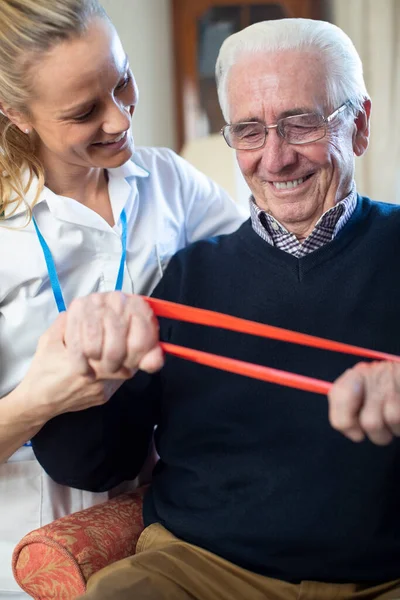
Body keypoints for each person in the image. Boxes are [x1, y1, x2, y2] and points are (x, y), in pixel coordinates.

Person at [32, 17, 400, 600]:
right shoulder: (188, 275)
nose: (274, 159)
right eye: (249, 131)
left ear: (358, 125)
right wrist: (84, 362)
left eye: (300, 123)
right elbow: (94, 465)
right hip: (199, 567)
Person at [0, 0, 246, 597]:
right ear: (16, 114)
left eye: (124, 81)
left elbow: (253, 277)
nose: (119, 119)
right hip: (27, 543)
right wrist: (36, 402)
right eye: (84, 111)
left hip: (163, 519)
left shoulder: (170, 182)